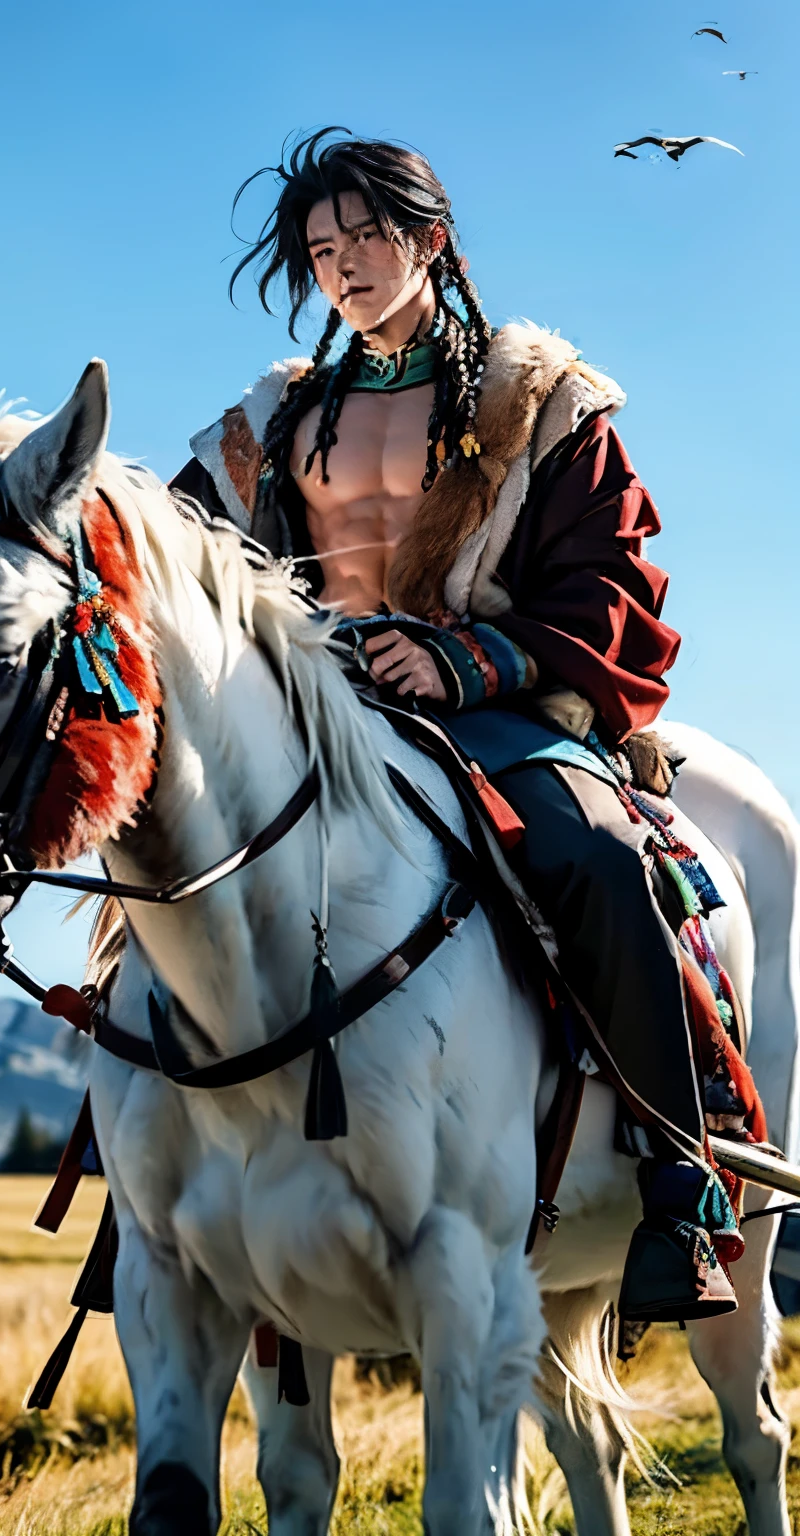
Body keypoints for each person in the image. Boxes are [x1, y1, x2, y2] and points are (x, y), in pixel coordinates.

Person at [172, 129, 763, 1323]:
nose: (340, 267)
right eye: (319, 250)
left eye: (363, 240)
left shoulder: (544, 403)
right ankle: (150, 1207)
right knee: (171, 898)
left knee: (598, 859)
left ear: (428, 239)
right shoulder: (276, 420)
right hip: (320, 717)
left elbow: (613, 581)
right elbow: (175, 555)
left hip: (498, 709)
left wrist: (475, 654)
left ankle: (679, 1178)